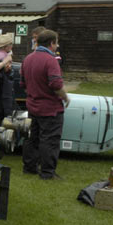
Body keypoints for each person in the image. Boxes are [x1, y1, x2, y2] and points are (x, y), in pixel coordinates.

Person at [20, 29, 70, 180]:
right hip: (50, 108)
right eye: (56, 42)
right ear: (51, 43)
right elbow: (56, 83)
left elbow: (22, 83)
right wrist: (65, 97)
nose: (57, 46)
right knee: (50, 140)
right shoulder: (51, 60)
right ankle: (48, 172)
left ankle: (29, 167)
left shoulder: (27, 59)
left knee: (32, 138)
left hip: (32, 105)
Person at [0, 33, 15, 124]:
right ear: (6, 46)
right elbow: (6, 73)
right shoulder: (5, 57)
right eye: (10, 44)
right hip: (4, 88)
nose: (12, 46)